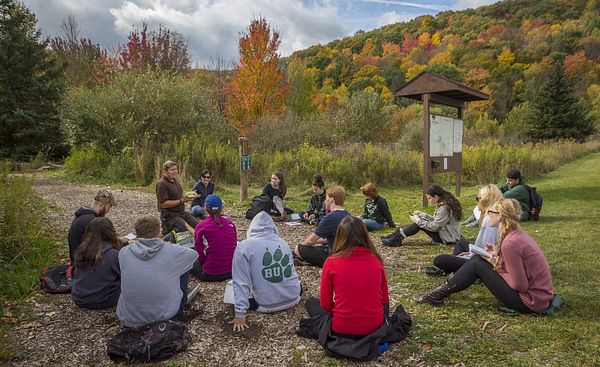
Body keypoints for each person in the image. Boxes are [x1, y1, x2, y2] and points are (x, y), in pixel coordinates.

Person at [414, 198, 554, 314]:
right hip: (539, 296)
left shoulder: (511, 243)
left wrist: (496, 265)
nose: (487, 215)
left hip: (530, 301)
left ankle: (435, 294)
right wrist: (496, 252)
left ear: (499, 216)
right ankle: (437, 293)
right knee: (478, 259)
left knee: (477, 263)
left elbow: (520, 286)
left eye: (490, 212)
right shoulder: (515, 233)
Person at [304, 216, 389, 337]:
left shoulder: (331, 262)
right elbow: (384, 299)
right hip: (375, 326)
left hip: (342, 327)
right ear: (365, 235)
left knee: (311, 303)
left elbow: (325, 303)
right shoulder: (376, 260)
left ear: (340, 237)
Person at [117, 215, 198, 327]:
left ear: (137, 233)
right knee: (184, 266)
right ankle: (179, 302)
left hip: (129, 318)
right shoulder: (173, 251)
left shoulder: (123, 253)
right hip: (166, 315)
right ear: (158, 232)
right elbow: (193, 255)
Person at [230, 211, 301, 332]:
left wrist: (239, 314)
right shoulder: (282, 243)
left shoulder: (244, 246)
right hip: (294, 297)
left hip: (264, 304)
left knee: (233, 292)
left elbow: (241, 281)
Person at [425, 184, 503, 276]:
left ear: (485, 200)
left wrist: (469, 255)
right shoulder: (493, 215)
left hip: (483, 262)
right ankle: (453, 269)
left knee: (439, 260)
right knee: (461, 243)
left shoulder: (489, 220)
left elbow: (486, 251)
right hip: (482, 255)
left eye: (478, 198)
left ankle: (456, 270)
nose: (476, 202)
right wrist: (470, 252)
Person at [381, 184, 462, 247]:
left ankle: (396, 238)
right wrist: (423, 215)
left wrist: (418, 220)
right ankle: (395, 236)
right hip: (448, 233)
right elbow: (437, 220)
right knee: (420, 221)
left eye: (429, 198)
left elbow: (435, 227)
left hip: (449, 238)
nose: (428, 200)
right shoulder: (444, 203)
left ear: (436, 196)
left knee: (418, 224)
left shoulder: (444, 207)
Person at [71, 217, 122, 309]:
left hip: (79, 298)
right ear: (110, 232)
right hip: (101, 300)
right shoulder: (113, 255)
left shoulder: (81, 250)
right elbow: (123, 277)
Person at [294, 186, 351, 267]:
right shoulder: (349, 215)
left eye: (326, 198)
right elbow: (330, 239)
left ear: (331, 199)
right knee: (321, 246)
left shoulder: (330, 218)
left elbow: (310, 241)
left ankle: (307, 260)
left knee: (298, 248)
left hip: (335, 256)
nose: (325, 201)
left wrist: (302, 246)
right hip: (346, 253)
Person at [67, 189, 122, 264]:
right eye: (109, 206)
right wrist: (122, 242)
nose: (108, 210)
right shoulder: (92, 221)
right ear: (103, 205)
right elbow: (105, 245)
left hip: (77, 258)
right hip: (83, 264)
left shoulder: (82, 215)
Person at [192, 194, 237, 281]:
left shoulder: (201, 226)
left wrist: (204, 263)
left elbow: (199, 252)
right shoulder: (230, 224)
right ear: (221, 208)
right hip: (232, 270)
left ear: (205, 208)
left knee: (189, 258)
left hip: (211, 273)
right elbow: (233, 244)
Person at [156, 160, 199, 235]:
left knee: (199, 226)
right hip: (170, 216)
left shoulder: (175, 180)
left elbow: (177, 196)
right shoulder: (162, 184)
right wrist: (182, 201)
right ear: (165, 171)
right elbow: (163, 204)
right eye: (172, 170)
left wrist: (189, 195)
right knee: (189, 232)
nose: (175, 171)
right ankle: (167, 231)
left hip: (181, 213)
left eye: (176, 169)